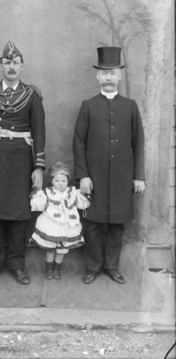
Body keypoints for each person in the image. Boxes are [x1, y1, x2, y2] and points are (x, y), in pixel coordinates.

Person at [0, 41, 46, 285]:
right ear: (0, 65)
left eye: (15, 63)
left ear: (22, 66)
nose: (11, 67)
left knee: (17, 215)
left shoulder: (32, 96)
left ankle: (17, 265)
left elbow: (39, 132)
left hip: (20, 162)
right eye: (7, 63)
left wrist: (38, 167)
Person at [73, 46, 145, 285]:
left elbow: (139, 143)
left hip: (123, 176)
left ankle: (112, 266)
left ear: (120, 75)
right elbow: (79, 142)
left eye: (113, 72)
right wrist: (83, 175)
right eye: (104, 73)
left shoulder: (130, 106)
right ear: (97, 76)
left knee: (117, 225)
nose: (108, 77)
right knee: (92, 223)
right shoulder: (88, 106)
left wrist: (139, 176)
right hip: (95, 176)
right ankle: (92, 267)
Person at [30, 161, 89, 280]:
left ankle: (57, 268)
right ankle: (49, 269)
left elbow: (83, 205)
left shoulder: (72, 192)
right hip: (51, 226)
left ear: (68, 180)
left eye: (63, 181)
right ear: (51, 181)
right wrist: (36, 193)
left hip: (67, 227)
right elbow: (38, 206)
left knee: (62, 249)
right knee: (51, 248)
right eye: (57, 181)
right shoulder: (47, 193)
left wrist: (85, 195)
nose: (60, 184)